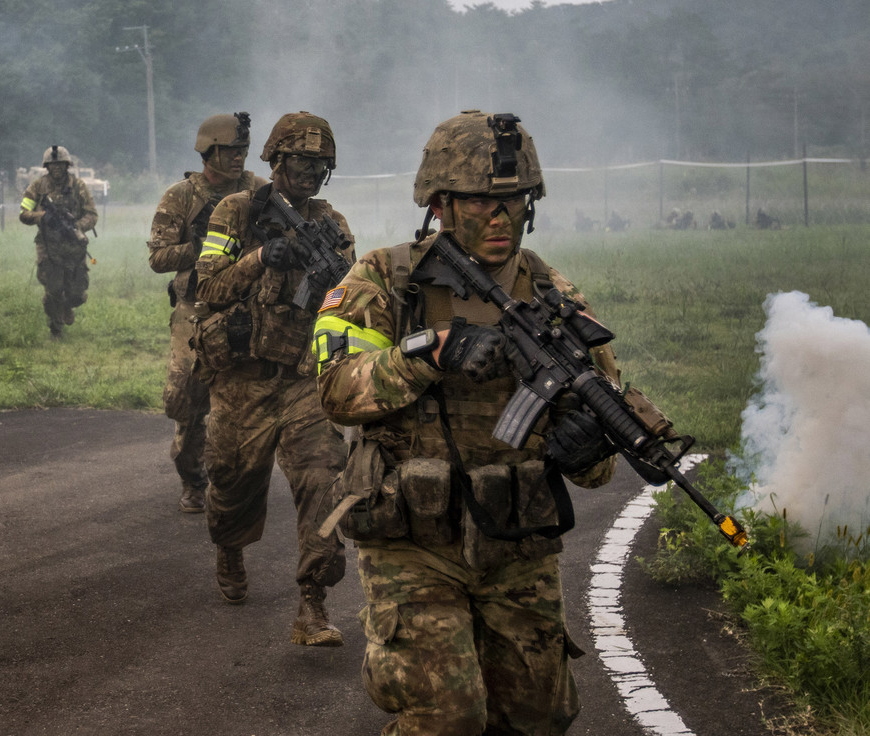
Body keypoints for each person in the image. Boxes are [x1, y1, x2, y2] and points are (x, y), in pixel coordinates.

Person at [313, 110, 620, 735]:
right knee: (447, 717)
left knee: (539, 718)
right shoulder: (385, 279)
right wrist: (428, 354)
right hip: (412, 543)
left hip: (518, 542)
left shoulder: (554, 297)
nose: (500, 217)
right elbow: (336, 391)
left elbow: (600, 464)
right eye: (480, 201)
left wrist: (587, 446)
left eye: (514, 199)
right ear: (441, 204)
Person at [192, 111, 353, 647]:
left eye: (320, 164)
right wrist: (262, 257)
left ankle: (313, 603)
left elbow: (350, 300)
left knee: (323, 481)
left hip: (305, 380)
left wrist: (335, 289)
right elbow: (207, 287)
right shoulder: (236, 212)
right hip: (243, 379)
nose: (311, 172)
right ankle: (230, 548)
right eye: (301, 161)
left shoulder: (332, 224)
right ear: (277, 160)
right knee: (233, 482)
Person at [147, 112, 268, 514]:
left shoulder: (259, 190)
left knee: (242, 403)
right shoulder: (181, 196)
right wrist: (198, 247)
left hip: (245, 309)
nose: (239, 157)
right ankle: (192, 479)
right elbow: (158, 258)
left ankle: (232, 483)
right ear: (208, 151)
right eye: (230, 150)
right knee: (186, 400)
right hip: (195, 312)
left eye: (243, 150)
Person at [18, 145, 98, 339]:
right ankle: (56, 329)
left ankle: (67, 306)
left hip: (73, 245)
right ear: (47, 166)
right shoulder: (37, 187)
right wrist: (41, 216)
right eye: (52, 165)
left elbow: (92, 215)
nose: (56, 168)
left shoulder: (79, 186)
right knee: (53, 288)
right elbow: (24, 213)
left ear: (67, 165)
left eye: (60, 164)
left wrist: (77, 227)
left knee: (77, 294)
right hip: (48, 245)